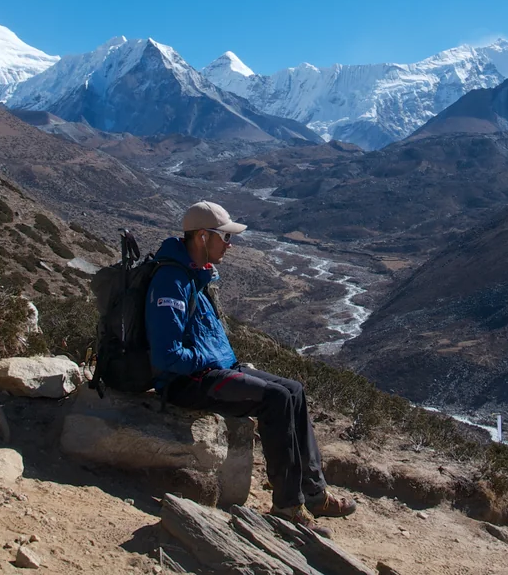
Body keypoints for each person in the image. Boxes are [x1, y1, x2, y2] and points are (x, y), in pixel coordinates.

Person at [146, 200, 356, 531]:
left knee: (294, 391)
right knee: (276, 399)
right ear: (202, 237)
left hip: (214, 370)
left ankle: (315, 493)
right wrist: (208, 359)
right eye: (225, 238)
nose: (230, 245)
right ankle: (288, 506)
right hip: (188, 382)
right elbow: (166, 356)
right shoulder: (172, 281)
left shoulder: (194, 274)